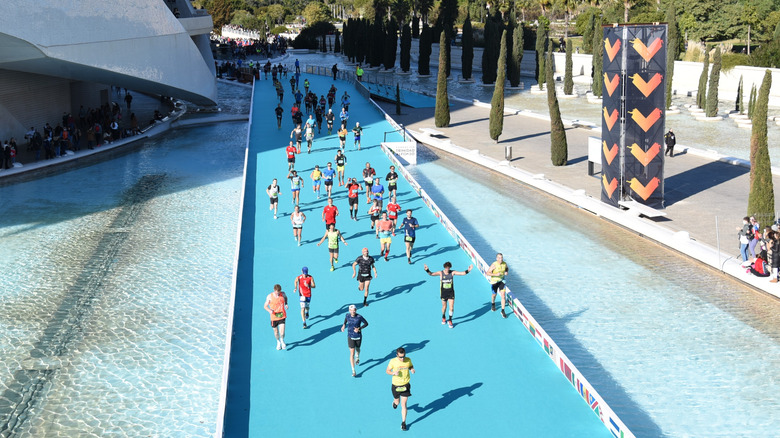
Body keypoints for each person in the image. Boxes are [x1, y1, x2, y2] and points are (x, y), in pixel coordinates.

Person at [424, 262, 473, 328]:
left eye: (448, 268)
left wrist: (468, 270)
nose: (447, 269)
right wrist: (427, 270)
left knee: (451, 307)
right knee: (444, 307)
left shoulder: (452, 272)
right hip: (443, 293)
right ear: (444, 267)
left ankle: (450, 320)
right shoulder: (441, 273)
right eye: (446, 268)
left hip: (451, 293)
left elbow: (462, 273)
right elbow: (431, 274)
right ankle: (443, 316)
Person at [386, 347, 415, 431]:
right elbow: (387, 371)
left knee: (404, 404)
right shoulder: (393, 361)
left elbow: (410, 365)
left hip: (405, 385)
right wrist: (393, 373)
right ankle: (394, 402)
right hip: (396, 386)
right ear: (397, 355)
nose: (402, 359)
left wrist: (412, 369)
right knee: (397, 402)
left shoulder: (408, 360)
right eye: (400, 357)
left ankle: (403, 423)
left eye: (403, 356)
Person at [341, 304, 368, 377]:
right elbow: (346, 320)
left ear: (356, 310)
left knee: (358, 349)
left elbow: (366, 323)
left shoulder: (359, 317)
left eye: (354, 310)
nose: (353, 311)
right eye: (351, 310)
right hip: (350, 336)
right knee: (352, 352)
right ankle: (353, 370)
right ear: (349, 310)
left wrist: (359, 328)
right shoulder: (347, 315)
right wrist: (343, 325)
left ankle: (358, 356)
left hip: (358, 336)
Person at [263, 284, 288, 350]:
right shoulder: (270, 296)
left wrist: (286, 304)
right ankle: (278, 341)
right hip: (274, 317)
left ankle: (282, 340)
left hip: (282, 315)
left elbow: (285, 298)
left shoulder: (283, 294)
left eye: (279, 292)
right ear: (274, 290)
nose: (278, 294)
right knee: (276, 332)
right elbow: (265, 306)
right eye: (277, 292)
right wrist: (269, 310)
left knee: (282, 332)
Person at [487, 253, 509, 318]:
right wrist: (496, 274)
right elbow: (488, 273)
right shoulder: (494, 265)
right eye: (499, 258)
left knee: (503, 295)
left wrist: (506, 272)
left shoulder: (504, 264)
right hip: (494, 282)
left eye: (501, 258)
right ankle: (493, 303)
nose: (501, 259)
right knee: (494, 295)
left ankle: (503, 310)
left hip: (502, 281)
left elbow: (507, 268)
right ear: (496, 258)